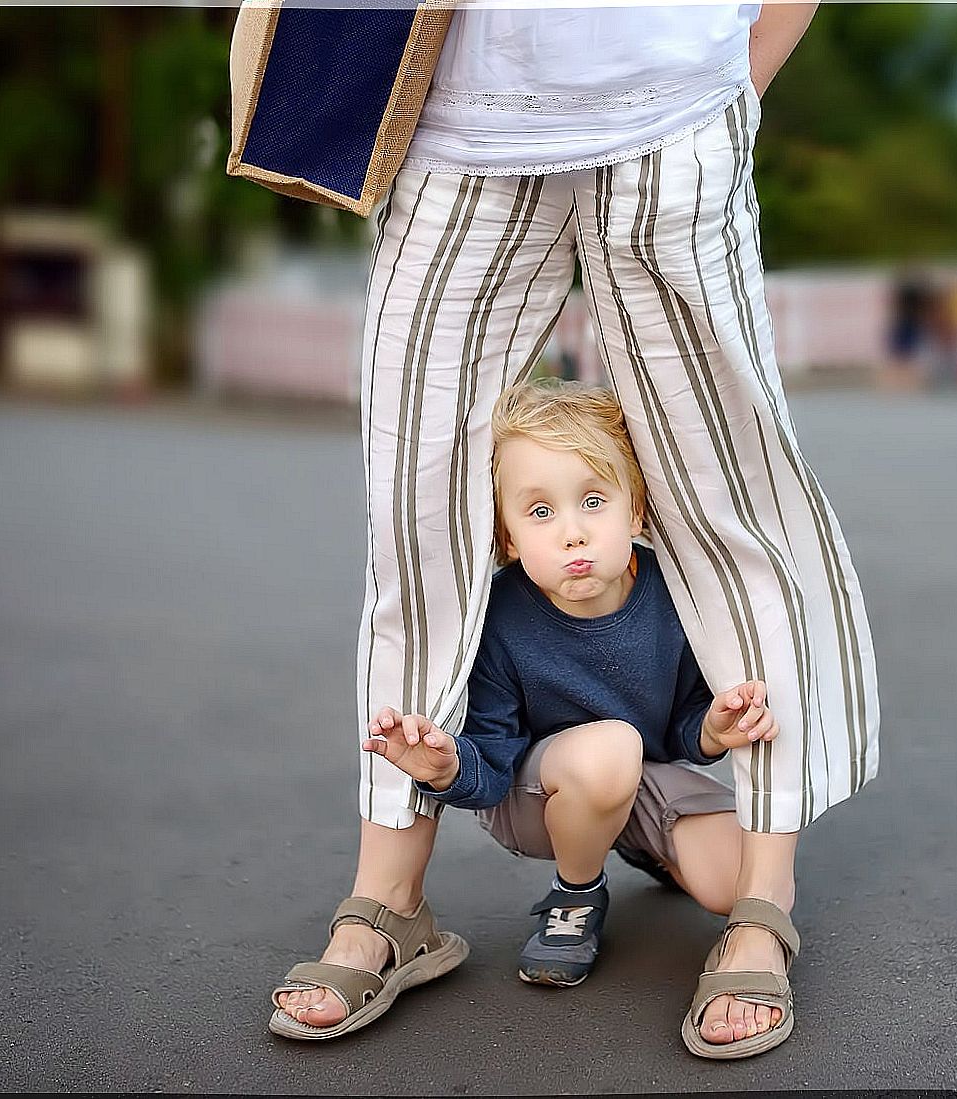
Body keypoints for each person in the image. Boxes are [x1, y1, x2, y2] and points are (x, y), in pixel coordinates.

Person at [267, 1, 881, 1058]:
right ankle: (389, 905)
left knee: (730, 509)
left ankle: (760, 909)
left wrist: (736, 76)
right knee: (417, 526)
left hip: (674, 99)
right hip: (461, 121)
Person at [348, 380, 780, 992]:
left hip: (636, 778)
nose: (572, 533)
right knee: (608, 752)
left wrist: (711, 730)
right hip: (533, 796)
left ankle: (632, 840)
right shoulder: (499, 617)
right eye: (541, 511)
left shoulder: (671, 592)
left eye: (593, 501)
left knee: (743, 881)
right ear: (507, 536)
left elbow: (680, 721)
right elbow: (492, 767)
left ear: (635, 511)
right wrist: (443, 769)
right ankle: (577, 894)